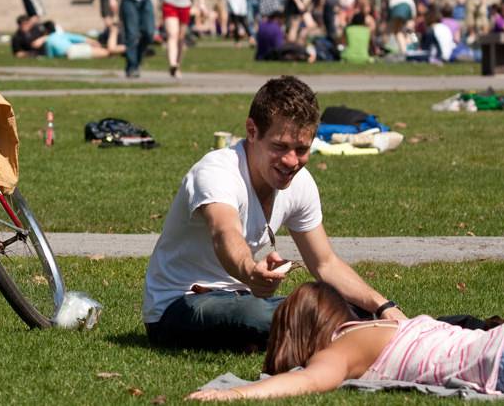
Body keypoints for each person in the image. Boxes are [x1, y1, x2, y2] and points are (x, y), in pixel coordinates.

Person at [143, 76, 404, 352]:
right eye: (280, 147)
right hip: (178, 308)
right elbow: (225, 232)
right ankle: (365, 333)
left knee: (342, 307)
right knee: (273, 315)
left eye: (302, 150)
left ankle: (377, 328)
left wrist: (383, 305)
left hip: (244, 301)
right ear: (252, 131)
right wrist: (249, 271)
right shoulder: (217, 172)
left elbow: (325, 263)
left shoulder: (300, 183)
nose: (292, 161)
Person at [188, 281, 504, 400]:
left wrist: (231, 395)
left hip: (497, 357)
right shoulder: (378, 330)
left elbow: (310, 382)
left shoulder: (342, 347)